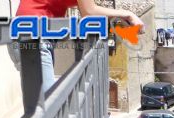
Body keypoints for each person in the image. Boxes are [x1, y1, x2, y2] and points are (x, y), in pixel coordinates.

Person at [13, 0, 144, 95]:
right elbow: (89, 11)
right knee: (45, 112)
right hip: (32, 38)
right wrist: (126, 14)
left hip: (33, 35)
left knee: (42, 108)